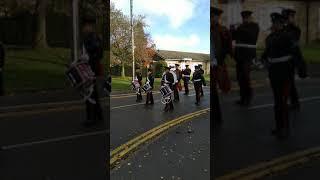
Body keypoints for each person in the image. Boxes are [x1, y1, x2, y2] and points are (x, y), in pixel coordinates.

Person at [261, 12, 303, 138]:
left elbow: (297, 53)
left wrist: (301, 69)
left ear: (282, 24)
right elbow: (266, 54)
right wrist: (263, 61)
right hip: (274, 73)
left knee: (282, 101)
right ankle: (279, 127)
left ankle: (284, 128)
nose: (275, 25)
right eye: (274, 23)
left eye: (278, 23)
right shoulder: (270, 38)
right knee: (277, 101)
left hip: (286, 73)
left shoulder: (289, 36)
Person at [282, 8, 307, 110]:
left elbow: (292, 42)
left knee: (290, 81)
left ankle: (294, 103)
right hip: (284, 59)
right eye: (289, 17)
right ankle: (293, 102)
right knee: (288, 81)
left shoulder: (294, 29)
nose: (291, 19)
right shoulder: (285, 28)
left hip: (291, 59)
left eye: (292, 17)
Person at [233, 10, 260, 106]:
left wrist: (239, 29)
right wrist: (232, 30)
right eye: (244, 18)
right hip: (239, 56)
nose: (245, 19)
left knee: (245, 77)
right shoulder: (241, 27)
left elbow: (251, 36)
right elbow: (234, 37)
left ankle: (248, 98)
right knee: (240, 78)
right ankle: (242, 97)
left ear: (250, 17)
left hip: (248, 56)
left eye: (247, 17)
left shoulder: (254, 26)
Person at [81, 15, 104, 126]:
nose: (84, 28)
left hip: (90, 67)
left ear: (89, 26)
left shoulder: (92, 37)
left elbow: (97, 52)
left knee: (89, 93)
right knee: (92, 92)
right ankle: (98, 115)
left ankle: (92, 117)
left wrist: (86, 57)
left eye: (85, 26)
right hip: (90, 67)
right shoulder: (91, 36)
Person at [211, 7, 232, 122]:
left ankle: (216, 117)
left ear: (217, 17)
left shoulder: (222, 30)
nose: (211, 19)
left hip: (217, 63)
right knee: (213, 91)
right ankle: (215, 116)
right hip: (213, 62)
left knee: (215, 90)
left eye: (213, 17)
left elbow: (227, 47)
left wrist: (220, 60)